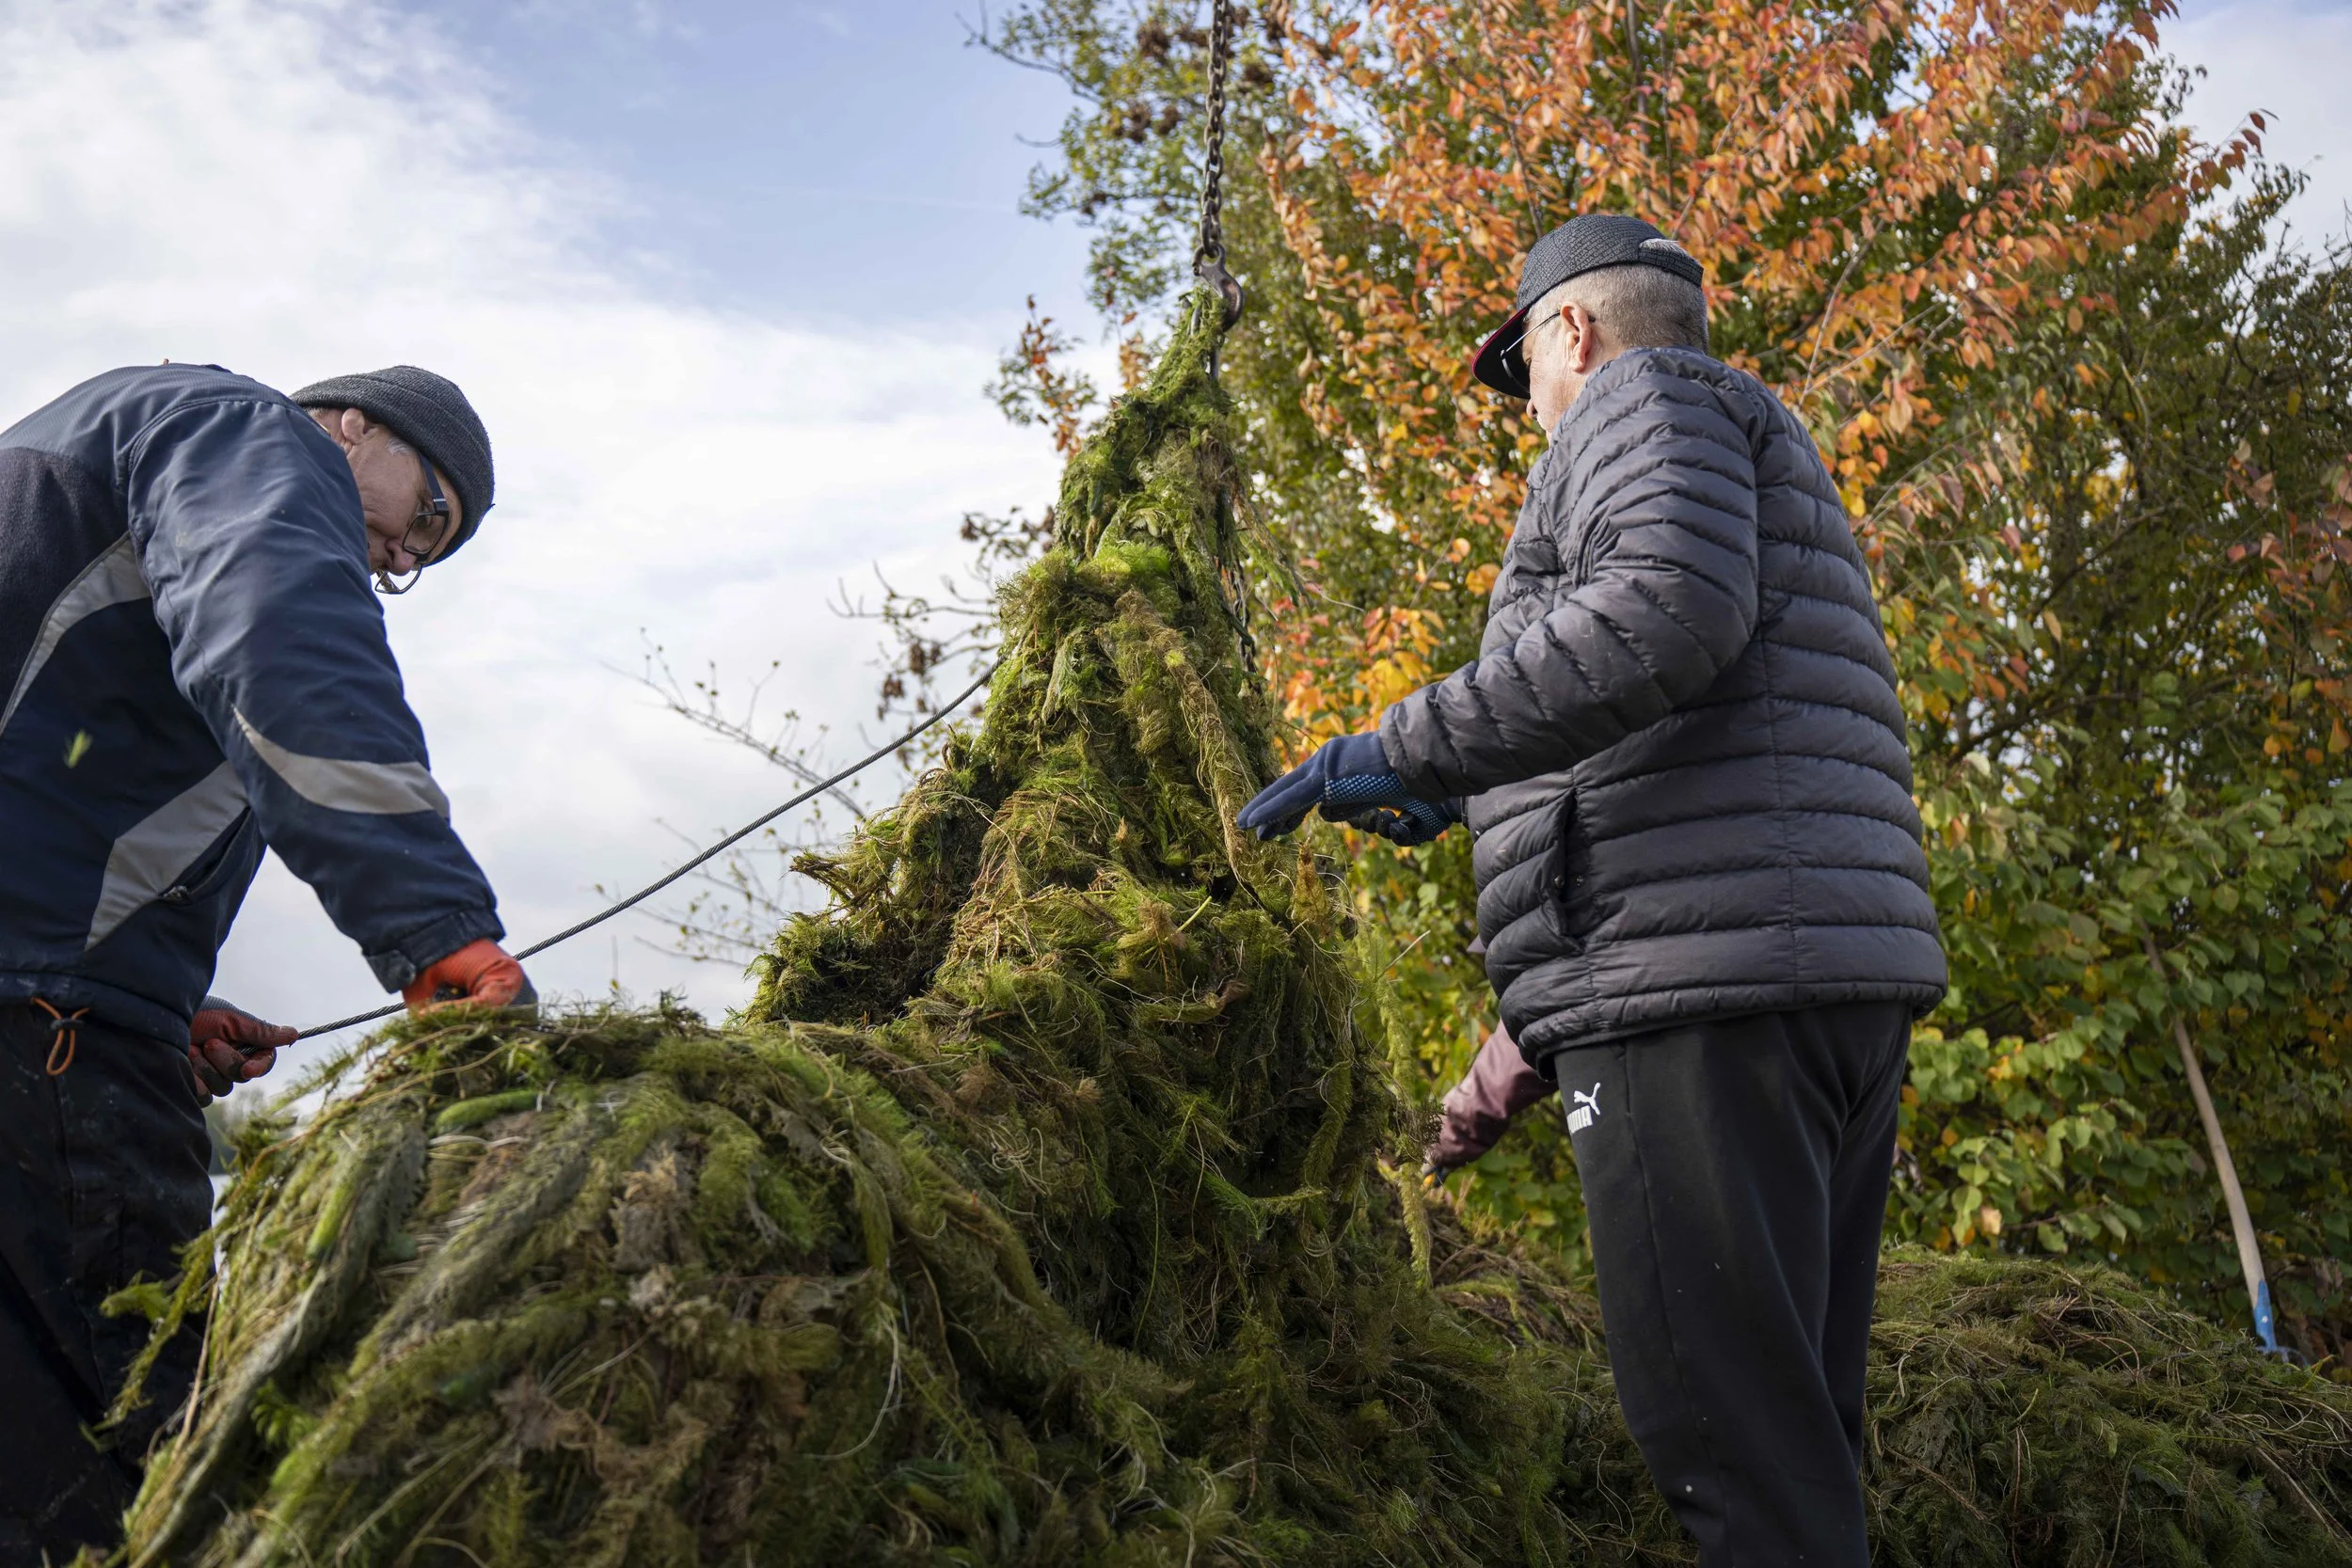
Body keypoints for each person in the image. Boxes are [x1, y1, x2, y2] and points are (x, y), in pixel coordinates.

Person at [1239, 214, 1947, 1566]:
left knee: (1729, 1456)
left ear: (1571, 327)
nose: (1528, 409)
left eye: (1522, 371)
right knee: (1791, 1446)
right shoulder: (1757, 448)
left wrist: (1398, 743)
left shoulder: (1642, 398)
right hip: (1802, 985)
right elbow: (1682, 713)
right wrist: (1461, 795)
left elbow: (1663, 613)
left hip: (1699, 1009)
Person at [0, 362, 532, 1563]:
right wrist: (434, 925)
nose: (403, 554)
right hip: (42, 1034)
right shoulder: (249, 436)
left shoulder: (110, 456)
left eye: (428, 554)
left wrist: (156, 1000)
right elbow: (283, 650)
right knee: (143, 1474)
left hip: (46, 1005)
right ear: (351, 424)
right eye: (426, 512)